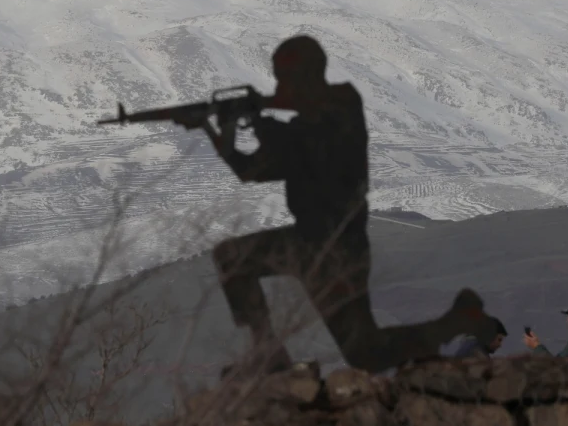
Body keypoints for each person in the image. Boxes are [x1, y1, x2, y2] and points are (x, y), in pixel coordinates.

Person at [190, 35, 498, 376]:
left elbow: (306, 145)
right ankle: (267, 351)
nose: (281, 86)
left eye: (286, 78)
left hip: (336, 249)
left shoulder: (341, 110)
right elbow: (252, 170)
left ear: (307, 76)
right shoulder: (305, 123)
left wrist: (259, 121)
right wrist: (220, 129)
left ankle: (456, 322)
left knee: (364, 354)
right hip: (309, 243)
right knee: (233, 257)